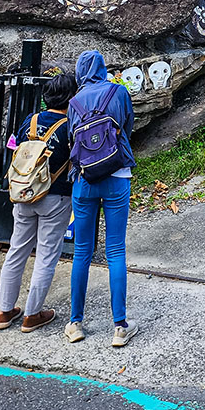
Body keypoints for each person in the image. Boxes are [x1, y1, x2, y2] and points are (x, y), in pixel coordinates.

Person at [65, 50, 137, 348]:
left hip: (84, 180)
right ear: (102, 68)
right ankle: (120, 327)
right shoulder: (118, 92)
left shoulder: (74, 102)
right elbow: (128, 127)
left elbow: (72, 139)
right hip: (117, 176)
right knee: (115, 250)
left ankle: (75, 323)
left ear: (81, 72)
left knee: (82, 251)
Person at [0, 72, 78, 333]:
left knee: (16, 251)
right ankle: (33, 315)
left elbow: (15, 149)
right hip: (55, 197)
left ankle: (5, 311)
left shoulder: (30, 121)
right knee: (46, 255)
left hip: (23, 195)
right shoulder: (70, 126)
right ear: (71, 97)